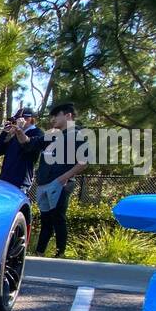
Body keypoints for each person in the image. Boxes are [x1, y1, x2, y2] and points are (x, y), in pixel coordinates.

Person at [35, 101, 88, 258]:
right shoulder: (54, 135)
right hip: (44, 183)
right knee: (45, 220)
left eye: (56, 116)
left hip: (61, 184)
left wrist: (63, 178)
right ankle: (39, 252)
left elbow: (83, 162)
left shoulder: (77, 134)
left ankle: (60, 254)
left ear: (68, 115)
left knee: (58, 218)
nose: (53, 119)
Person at [0, 106, 45, 192]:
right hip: (4, 179)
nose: (15, 123)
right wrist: (5, 133)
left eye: (17, 120)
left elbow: (27, 148)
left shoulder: (37, 133)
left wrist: (19, 131)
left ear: (28, 119)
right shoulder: (14, 134)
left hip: (21, 182)